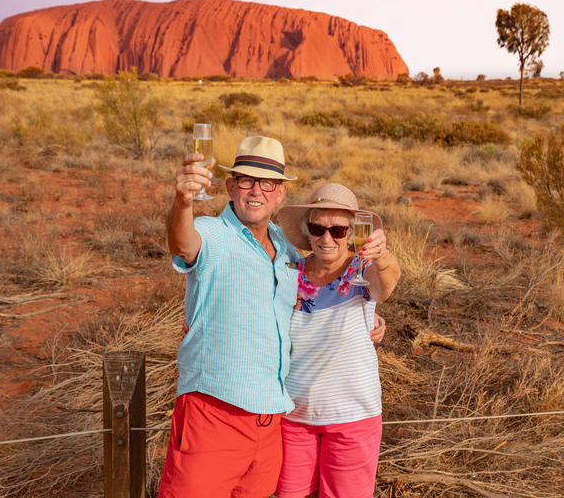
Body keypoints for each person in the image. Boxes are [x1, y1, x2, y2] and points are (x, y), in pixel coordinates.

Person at [159, 136, 385, 498]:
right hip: (215, 412)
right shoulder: (211, 233)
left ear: (279, 194)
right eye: (246, 180)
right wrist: (183, 201)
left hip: (271, 422)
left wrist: (367, 320)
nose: (255, 192)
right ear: (231, 186)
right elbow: (183, 244)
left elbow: (316, 296)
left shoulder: (286, 250)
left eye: (267, 183)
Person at [274, 183, 401, 498]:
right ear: (307, 231)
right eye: (318, 228)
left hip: (353, 417)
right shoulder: (290, 272)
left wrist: (383, 256)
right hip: (294, 417)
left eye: (339, 230)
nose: (327, 238)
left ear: (352, 233)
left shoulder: (363, 269)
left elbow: (387, 284)